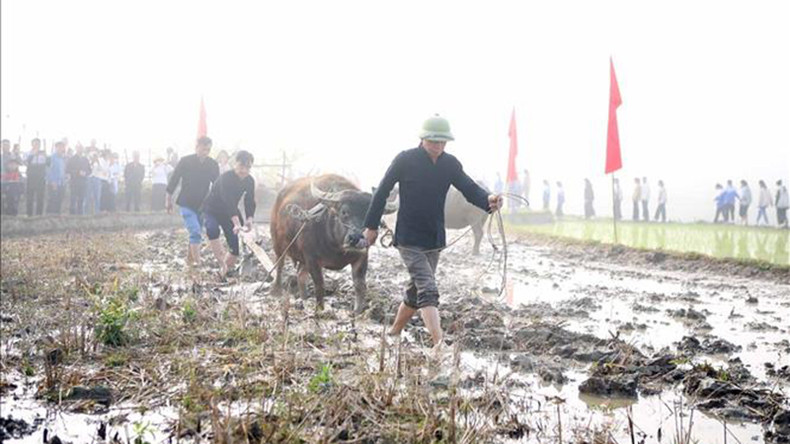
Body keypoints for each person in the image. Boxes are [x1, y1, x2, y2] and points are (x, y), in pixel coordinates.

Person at [362, 115, 501, 354]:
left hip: (434, 237)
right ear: (422, 138)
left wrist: (487, 201)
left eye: (442, 143)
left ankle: (394, 332)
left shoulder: (450, 164)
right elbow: (382, 191)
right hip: (408, 237)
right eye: (433, 141)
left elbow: (469, 188)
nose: (438, 147)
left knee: (416, 291)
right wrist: (371, 226)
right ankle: (440, 346)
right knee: (428, 288)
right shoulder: (405, 160)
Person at [166, 136, 220, 269]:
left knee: (196, 232)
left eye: (208, 150)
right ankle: (198, 264)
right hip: (186, 203)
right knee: (195, 231)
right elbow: (174, 179)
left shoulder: (212, 164)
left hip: (202, 205)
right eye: (202, 149)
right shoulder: (185, 161)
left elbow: (217, 185)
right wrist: (168, 199)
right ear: (196, 147)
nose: (205, 152)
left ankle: (189, 260)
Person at [202, 150, 256, 277]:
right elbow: (229, 201)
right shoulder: (226, 178)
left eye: (247, 167)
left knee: (235, 250)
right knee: (212, 229)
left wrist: (249, 218)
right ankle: (221, 264)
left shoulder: (249, 181)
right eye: (241, 166)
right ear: (235, 164)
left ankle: (223, 273)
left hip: (228, 214)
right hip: (212, 209)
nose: (243, 171)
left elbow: (249, 200)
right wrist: (236, 223)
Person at [25, 138, 48, 217]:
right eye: (35, 144)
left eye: (38, 144)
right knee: (30, 197)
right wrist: (34, 154)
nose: (37, 146)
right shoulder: (28, 153)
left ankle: (39, 214)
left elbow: (48, 164)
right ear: (32, 144)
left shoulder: (43, 154)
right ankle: (29, 214)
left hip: (40, 178)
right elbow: (27, 161)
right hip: (31, 177)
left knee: (40, 197)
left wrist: (46, 155)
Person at [66, 144, 91, 214]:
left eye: (81, 148)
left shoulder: (85, 159)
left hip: (83, 183)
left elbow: (89, 170)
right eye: (79, 148)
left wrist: (85, 173)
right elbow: (67, 170)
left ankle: (80, 216)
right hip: (74, 182)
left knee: (81, 200)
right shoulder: (72, 159)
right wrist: (77, 172)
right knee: (73, 200)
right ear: (76, 149)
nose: (80, 150)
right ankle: (72, 216)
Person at [45, 141, 67, 214]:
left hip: (61, 183)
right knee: (52, 201)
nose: (61, 148)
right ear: (56, 147)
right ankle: (49, 217)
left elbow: (62, 171)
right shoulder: (51, 157)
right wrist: (52, 181)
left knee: (59, 201)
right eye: (59, 147)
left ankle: (56, 217)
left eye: (62, 147)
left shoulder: (63, 158)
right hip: (53, 183)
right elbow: (48, 170)